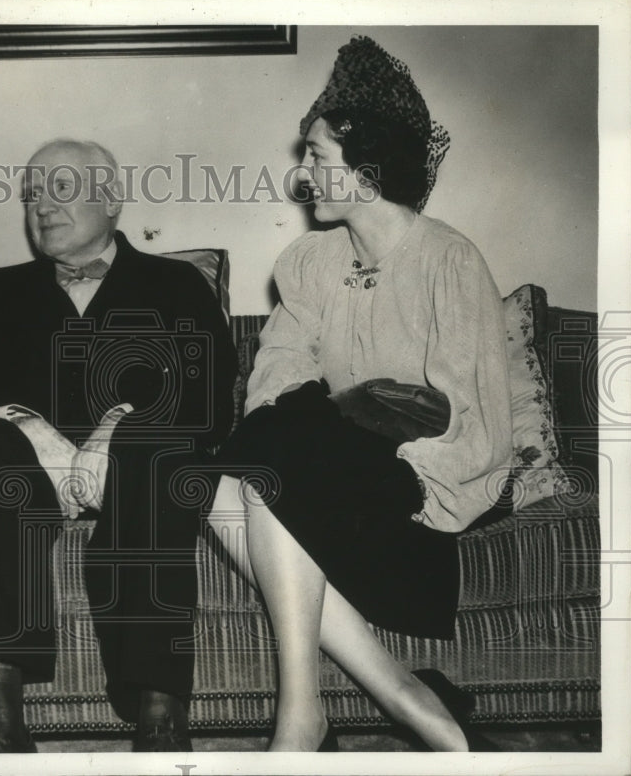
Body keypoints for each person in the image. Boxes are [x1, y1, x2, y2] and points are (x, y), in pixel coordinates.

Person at [206, 36, 513, 751]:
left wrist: (356, 450)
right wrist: (322, 432)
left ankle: (301, 715)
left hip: (415, 504)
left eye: (316, 155)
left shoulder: (447, 259)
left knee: (272, 459)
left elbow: (476, 432)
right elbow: (277, 379)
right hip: (326, 489)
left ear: (365, 166)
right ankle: (396, 692)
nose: (302, 173)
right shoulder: (312, 264)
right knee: (219, 481)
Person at [0, 139, 237, 752]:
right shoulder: (0, 293)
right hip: (22, 471)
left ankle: (160, 714)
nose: (41, 206)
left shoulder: (174, 282)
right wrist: (28, 426)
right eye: (32, 194)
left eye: (61, 188)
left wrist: (117, 427)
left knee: (156, 450)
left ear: (113, 199)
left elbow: (209, 397)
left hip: (140, 468)